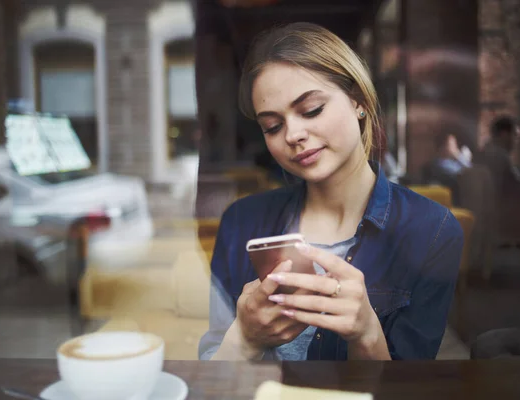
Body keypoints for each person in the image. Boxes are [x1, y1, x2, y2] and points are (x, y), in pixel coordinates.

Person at [198, 22, 464, 361]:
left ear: (358, 101)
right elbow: (212, 372)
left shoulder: (433, 230)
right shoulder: (241, 222)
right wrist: (245, 341)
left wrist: (367, 334)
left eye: (311, 110)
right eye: (273, 126)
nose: (293, 134)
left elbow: (406, 386)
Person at [475, 116, 520, 196]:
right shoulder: (499, 156)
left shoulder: (486, 151)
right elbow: (516, 186)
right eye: (515, 136)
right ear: (504, 135)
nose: (517, 142)